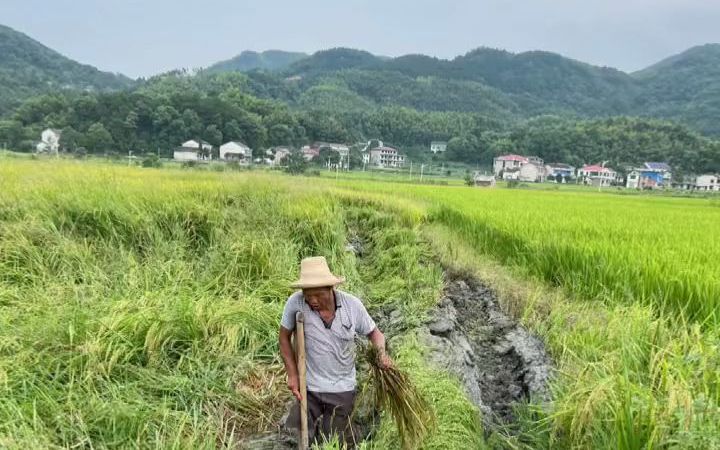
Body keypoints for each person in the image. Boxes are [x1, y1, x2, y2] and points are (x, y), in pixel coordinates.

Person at [279, 256, 391, 447]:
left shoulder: (352, 306)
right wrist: (292, 374)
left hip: (342, 388)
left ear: (331, 289)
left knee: (334, 440)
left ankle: (352, 430)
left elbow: (376, 334)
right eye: (308, 294)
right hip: (310, 387)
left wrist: (381, 353)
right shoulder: (296, 303)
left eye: (318, 295)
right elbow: (284, 338)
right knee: (295, 431)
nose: (312, 300)